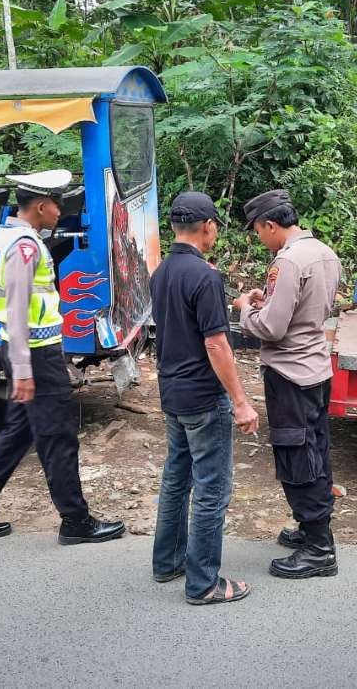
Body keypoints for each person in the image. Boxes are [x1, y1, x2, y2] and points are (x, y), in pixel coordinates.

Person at [0, 170, 125, 546]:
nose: (60, 211)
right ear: (41, 206)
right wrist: (27, 369)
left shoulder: (3, 236)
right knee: (58, 437)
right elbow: (15, 307)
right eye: (57, 204)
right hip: (35, 356)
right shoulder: (25, 246)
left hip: (20, 351)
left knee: (18, 432)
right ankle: (75, 521)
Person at [150, 191, 260, 605]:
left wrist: (235, 302)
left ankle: (168, 562)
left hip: (173, 393)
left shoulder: (162, 273)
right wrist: (241, 401)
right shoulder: (205, 276)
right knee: (212, 490)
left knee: (177, 480)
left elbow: (185, 317)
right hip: (203, 398)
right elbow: (216, 344)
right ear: (208, 226)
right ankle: (203, 583)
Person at [235, 189, 342, 579]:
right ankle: (313, 528)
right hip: (315, 367)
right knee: (316, 447)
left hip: (289, 373)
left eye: (258, 231)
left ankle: (318, 548)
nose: (258, 238)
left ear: (271, 224)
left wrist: (246, 309)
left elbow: (273, 328)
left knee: (296, 454)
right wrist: (271, 301)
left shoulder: (288, 261)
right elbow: (311, 310)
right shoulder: (324, 252)